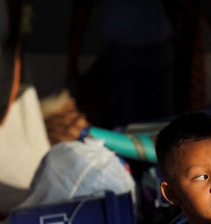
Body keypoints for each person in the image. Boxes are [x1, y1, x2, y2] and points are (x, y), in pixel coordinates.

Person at [65, 0, 174, 129]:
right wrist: (72, 62)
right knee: (127, 121)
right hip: (123, 49)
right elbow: (81, 11)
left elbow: (81, 11)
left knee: (158, 122)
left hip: (152, 46)